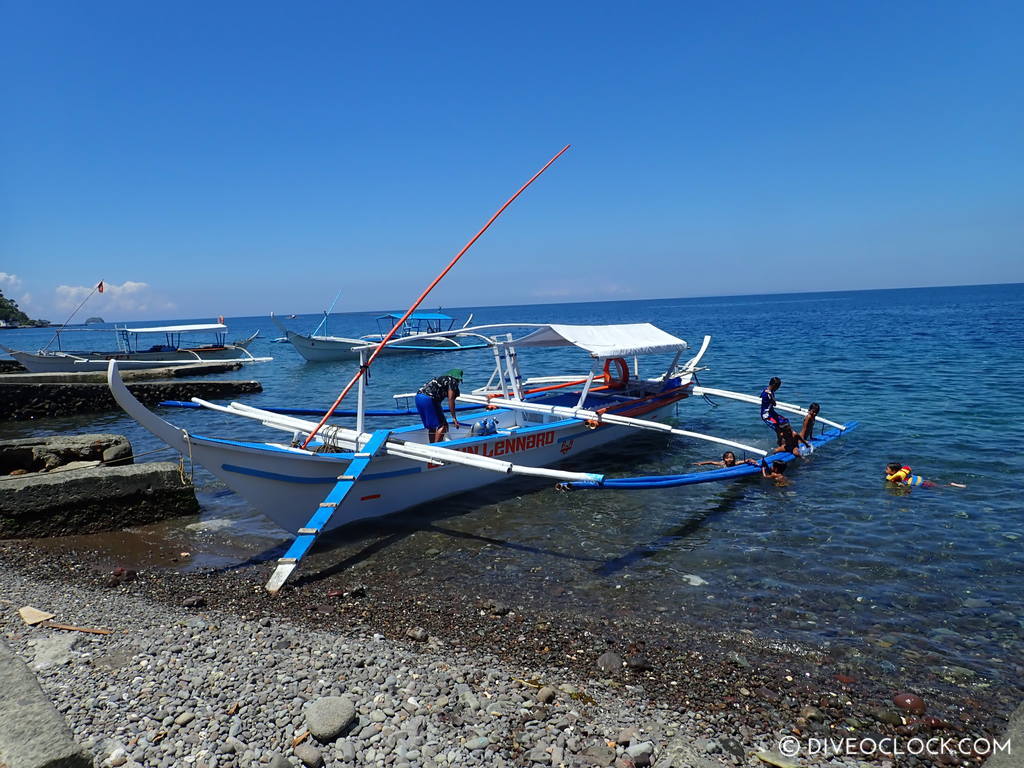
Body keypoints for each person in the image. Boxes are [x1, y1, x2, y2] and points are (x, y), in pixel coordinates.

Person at [415, 369, 463, 443]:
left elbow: (437, 399)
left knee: (432, 427)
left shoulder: (441, 379)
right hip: (429, 399)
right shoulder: (453, 381)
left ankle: (431, 446)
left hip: (418, 397)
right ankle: (437, 447)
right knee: (443, 425)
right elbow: (451, 399)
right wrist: (454, 417)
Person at [884, 462, 966, 489]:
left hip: (922, 484)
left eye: (887, 469)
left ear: (894, 471)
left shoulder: (897, 478)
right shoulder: (902, 473)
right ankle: (951, 485)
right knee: (937, 485)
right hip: (923, 481)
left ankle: (952, 485)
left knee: (940, 487)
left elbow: (903, 486)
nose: (885, 470)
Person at [760, 377, 789, 445]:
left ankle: (785, 440)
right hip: (767, 416)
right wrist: (770, 395)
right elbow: (774, 403)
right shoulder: (767, 394)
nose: (777, 389)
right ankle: (781, 444)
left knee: (785, 422)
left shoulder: (770, 391)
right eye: (777, 387)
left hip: (772, 413)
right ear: (774, 385)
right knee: (778, 428)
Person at [693, 451, 757, 468]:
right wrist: (700, 463)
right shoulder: (722, 464)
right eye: (727, 458)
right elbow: (711, 462)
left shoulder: (736, 463)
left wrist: (752, 460)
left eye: (731, 457)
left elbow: (747, 460)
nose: (729, 459)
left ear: (734, 458)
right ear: (724, 459)